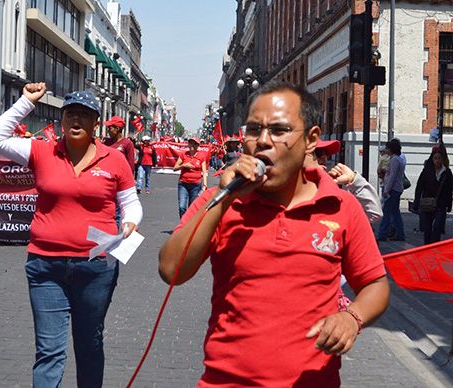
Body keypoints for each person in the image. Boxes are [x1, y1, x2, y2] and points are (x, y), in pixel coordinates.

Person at [159, 82, 389, 387]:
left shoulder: (340, 205)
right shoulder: (222, 199)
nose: (263, 141)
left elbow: (375, 284)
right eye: (254, 130)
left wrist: (352, 317)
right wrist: (224, 198)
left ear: (311, 140)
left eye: (279, 131)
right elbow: (171, 270)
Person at [0, 83, 143, 388]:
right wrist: (26, 101)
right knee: (49, 352)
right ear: (62, 120)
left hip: (96, 268)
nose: (76, 121)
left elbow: (131, 203)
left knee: (90, 345)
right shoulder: (42, 151)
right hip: (46, 268)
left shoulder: (114, 159)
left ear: (96, 122)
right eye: (70, 114)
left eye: (84, 115)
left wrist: (131, 223)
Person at [308, 139, 382, 223]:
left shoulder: (334, 197)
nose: (324, 157)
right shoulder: (291, 199)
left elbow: (373, 214)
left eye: (326, 153)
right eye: (318, 153)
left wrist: (354, 179)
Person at [413, 148, 453, 244]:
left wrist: (449, 204)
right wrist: (417, 201)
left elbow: (450, 189)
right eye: (435, 158)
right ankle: (427, 246)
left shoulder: (447, 172)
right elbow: (419, 186)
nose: (437, 161)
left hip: (441, 204)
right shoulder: (427, 171)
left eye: (439, 158)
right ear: (432, 159)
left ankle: (434, 245)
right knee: (427, 228)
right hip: (427, 202)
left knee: (437, 227)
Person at [377, 138, 406, 241]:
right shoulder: (399, 159)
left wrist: (386, 190)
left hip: (392, 189)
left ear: (391, 149)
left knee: (387, 212)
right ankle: (400, 234)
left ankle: (382, 234)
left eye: (387, 148)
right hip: (397, 188)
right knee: (395, 212)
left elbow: (392, 176)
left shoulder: (394, 160)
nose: (386, 150)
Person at [173, 137, 208, 218]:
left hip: (196, 185)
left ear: (197, 145)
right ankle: (183, 225)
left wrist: (205, 185)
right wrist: (184, 165)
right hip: (183, 184)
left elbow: (204, 172)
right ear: (188, 144)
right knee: (182, 207)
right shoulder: (184, 154)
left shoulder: (201, 156)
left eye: (194, 143)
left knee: (192, 208)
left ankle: (188, 226)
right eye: (191, 143)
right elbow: (175, 168)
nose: (192, 145)